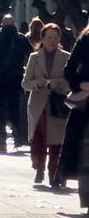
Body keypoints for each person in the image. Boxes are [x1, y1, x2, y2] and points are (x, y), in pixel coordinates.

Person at [22, 23, 70, 186]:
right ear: (43, 38)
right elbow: (25, 83)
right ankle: (39, 168)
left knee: (57, 141)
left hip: (58, 105)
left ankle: (53, 172)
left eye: (55, 38)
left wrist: (57, 83)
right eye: (49, 37)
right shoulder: (34, 58)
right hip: (38, 104)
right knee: (39, 139)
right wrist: (38, 83)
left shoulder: (66, 58)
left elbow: (71, 83)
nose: (52, 40)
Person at [0, 14, 34, 152]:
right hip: (15, 77)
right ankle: (17, 136)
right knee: (14, 106)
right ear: (14, 24)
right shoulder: (21, 39)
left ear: (2, 24)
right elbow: (31, 55)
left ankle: (2, 140)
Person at [59, 25, 89, 202]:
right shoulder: (85, 40)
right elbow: (69, 70)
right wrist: (81, 84)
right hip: (86, 107)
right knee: (85, 153)